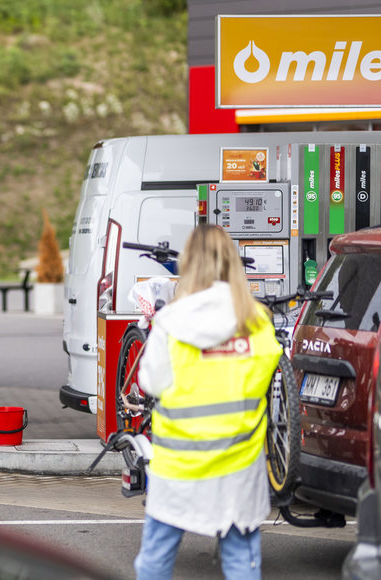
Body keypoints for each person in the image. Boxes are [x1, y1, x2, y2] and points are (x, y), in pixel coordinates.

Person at [133, 224, 282, 580]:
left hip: (180, 466)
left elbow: (150, 382)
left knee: (155, 560)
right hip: (238, 466)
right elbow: (267, 372)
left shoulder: (171, 321)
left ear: (190, 264)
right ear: (232, 262)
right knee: (241, 560)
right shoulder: (257, 321)